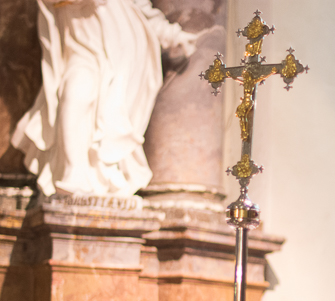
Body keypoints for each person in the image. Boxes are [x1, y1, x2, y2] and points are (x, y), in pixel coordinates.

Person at [12, 0, 198, 197]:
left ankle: (104, 176)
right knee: (75, 94)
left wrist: (172, 35)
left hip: (121, 53)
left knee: (111, 114)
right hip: (83, 46)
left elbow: (142, 9)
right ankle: (73, 173)